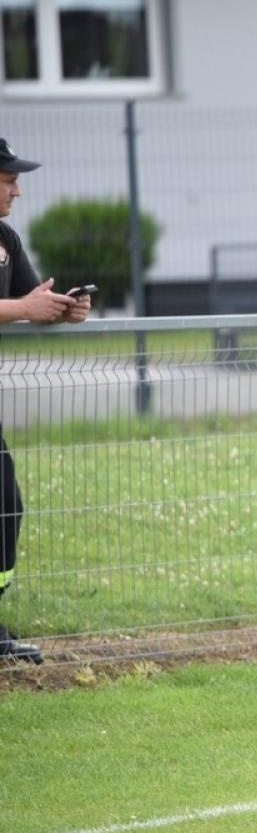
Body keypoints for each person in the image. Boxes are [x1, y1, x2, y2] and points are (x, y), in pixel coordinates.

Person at [0, 139, 93, 663]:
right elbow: (18, 307)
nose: (18, 187)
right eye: (8, 178)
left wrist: (62, 309)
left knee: (5, 507)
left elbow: (27, 304)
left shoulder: (5, 238)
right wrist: (25, 307)